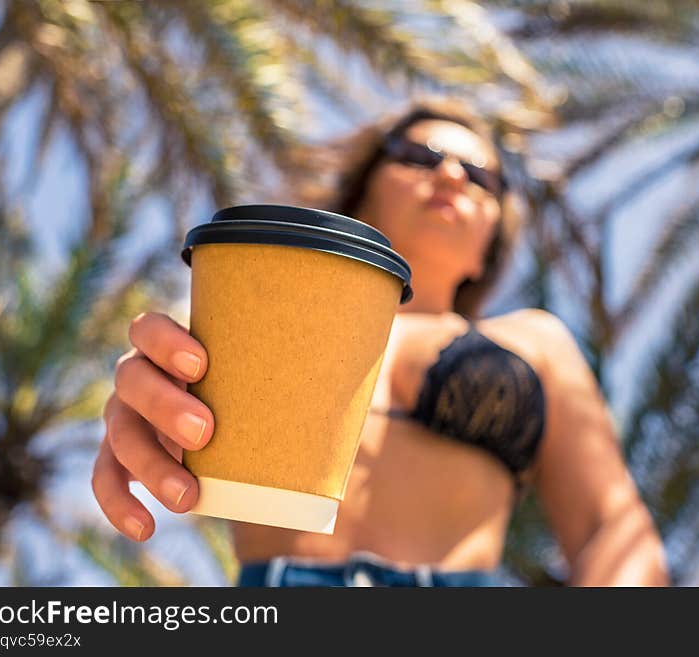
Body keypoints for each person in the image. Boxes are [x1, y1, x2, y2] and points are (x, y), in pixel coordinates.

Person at [91, 98, 669, 587]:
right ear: (362, 192)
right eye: (422, 158)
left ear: (488, 243)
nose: (450, 176)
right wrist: (158, 397)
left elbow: (611, 531)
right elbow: (168, 401)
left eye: (480, 177)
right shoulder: (264, 325)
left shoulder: (536, 342)